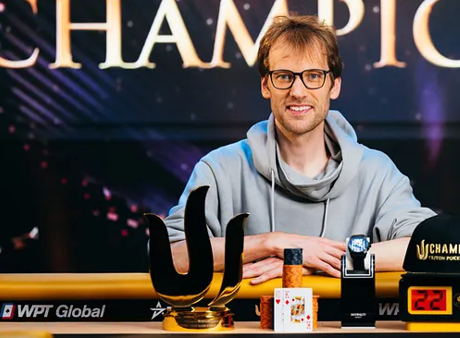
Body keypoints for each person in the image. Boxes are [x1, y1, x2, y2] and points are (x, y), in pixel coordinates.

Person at [164, 14, 435, 284]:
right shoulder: (219, 168)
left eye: (313, 76)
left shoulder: (377, 171)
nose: (298, 91)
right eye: (284, 77)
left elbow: (426, 248)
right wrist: (272, 243)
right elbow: (172, 255)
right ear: (265, 86)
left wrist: (316, 262)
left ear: (334, 86)